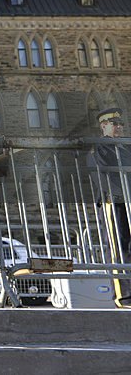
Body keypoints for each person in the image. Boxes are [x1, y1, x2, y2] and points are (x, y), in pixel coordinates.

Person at [89, 108, 130, 303]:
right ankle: (123, 296)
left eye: (121, 124)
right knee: (118, 248)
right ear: (104, 126)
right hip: (114, 201)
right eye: (115, 124)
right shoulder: (99, 147)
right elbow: (105, 176)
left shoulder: (125, 147)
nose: (119, 127)